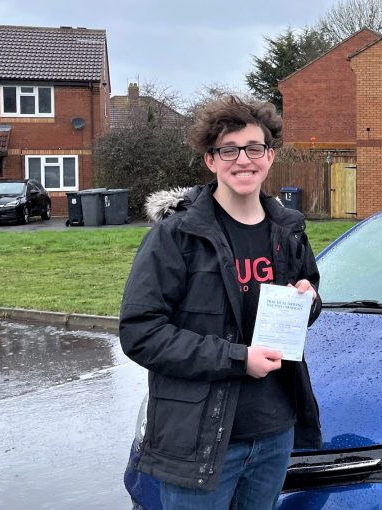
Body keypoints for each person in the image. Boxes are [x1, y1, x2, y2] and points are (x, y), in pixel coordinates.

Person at [120, 96, 322, 510]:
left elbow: (309, 291)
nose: (242, 160)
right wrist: (237, 358)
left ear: (269, 156)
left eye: (253, 148)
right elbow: (141, 332)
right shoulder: (177, 236)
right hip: (201, 441)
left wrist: (310, 300)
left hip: (273, 433)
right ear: (211, 161)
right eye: (228, 150)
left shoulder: (288, 230)